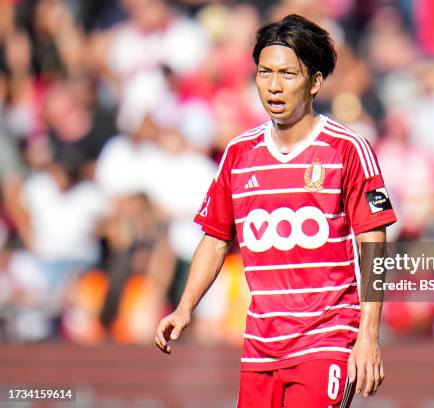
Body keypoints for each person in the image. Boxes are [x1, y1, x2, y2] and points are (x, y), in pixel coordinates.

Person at [155, 14, 397, 408]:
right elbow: (216, 238)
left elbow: (373, 242)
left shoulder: (348, 148)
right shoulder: (239, 153)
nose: (274, 85)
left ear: (315, 82)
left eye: (288, 73)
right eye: (265, 72)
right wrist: (184, 307)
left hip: (327, 338)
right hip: (260, 346)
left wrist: (368, 336)